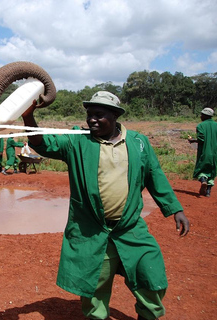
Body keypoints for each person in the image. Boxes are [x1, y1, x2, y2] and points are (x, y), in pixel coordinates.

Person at [22, 91, 190, 320]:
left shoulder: (138, 143)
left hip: (130, 228)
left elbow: (154, 175)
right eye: (89, 115)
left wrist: (175, 209)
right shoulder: (77, 140)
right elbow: (43, 143)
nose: (92, 120)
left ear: (115, 116)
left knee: (150, 275)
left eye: (99, 115)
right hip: (92, 230)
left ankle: (148, 315)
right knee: (95, 287)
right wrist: (28, 117)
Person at [187, 107, 217, 197]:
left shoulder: (200, 126)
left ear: (205, 116)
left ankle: (203, 180)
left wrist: (193, 141)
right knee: (212, 170)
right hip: (215, 153)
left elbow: (201, 139)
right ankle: (208, 192)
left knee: (201, 168)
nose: (200, 116)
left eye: (201, 115)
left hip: (205, 152)